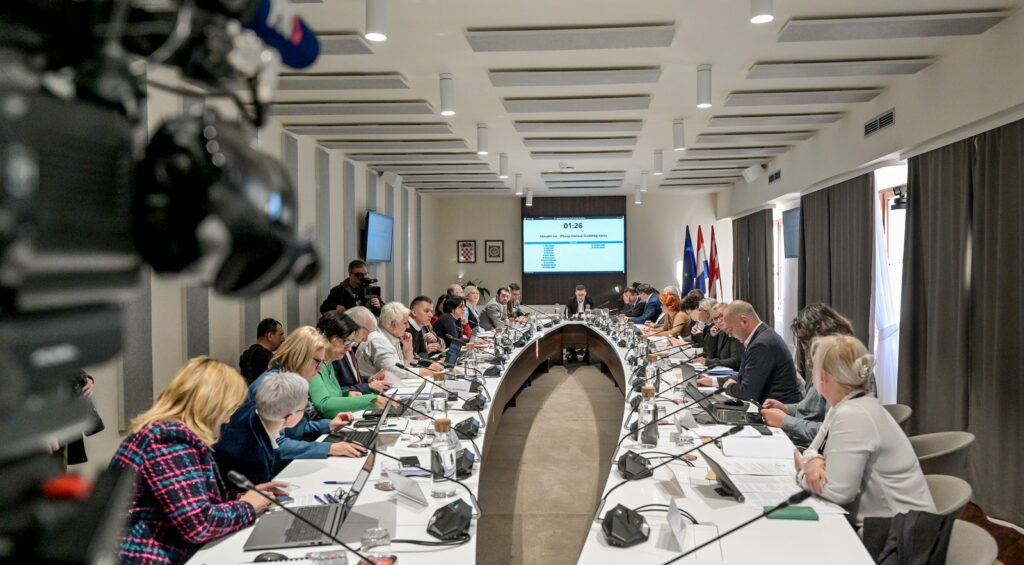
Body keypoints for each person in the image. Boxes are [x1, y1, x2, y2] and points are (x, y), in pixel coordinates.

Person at [110, 357, 287, 565]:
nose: (228, 419)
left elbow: (192, 496)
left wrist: (244, 495)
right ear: (211, 406)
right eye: (229, 410)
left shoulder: (165, 433)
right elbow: (198, 524)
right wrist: (248, 506)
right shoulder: (168, 440)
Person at [795, 335, 935, 525]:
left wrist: (802, 473)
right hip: (892, 524)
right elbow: (811, 450)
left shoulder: (852, 414)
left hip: (898, 533)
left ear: (823, 376)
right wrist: (814, 462)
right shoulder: (845, 405)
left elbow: (837, 492)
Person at [239, 327, 365, 461]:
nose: (320, 368)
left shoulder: (292, 380)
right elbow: (276, 445)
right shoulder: (272, 386)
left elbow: (296, 427)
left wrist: (328, 425)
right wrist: (329, 448)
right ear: (301, 356)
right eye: (318, 362)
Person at [761, 304, 868, 448]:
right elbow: (811, 410)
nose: (804, 347)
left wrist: (785, 421)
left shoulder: (843, 369)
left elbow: (830, 433)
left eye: (804, 340)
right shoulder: (828, 362)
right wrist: (785, 409)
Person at [214, 372, 310, 491]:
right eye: (304, 409)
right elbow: (254, 498)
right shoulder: (254, 460)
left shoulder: (249, 409)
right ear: (289, 418)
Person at [698, 301, 802, 404]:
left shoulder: (761, 344)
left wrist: (730, 387)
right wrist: (713, 381)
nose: (730, 335)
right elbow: (745, 376)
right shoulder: (761, 336)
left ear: (744, 321)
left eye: (731, 330)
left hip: (778, 409)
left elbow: (747, 394)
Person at [309, 312, 389, 418]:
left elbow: (332, 394)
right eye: (346, 342)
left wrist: (347, 393)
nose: (349, 348)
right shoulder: (312, 364)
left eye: (351, 343)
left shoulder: (328, 363)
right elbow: (323, 404)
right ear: (327, 337)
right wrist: (370, 400)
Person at [356, 302, 442, 377]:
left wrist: (408, 350)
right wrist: (428, 371)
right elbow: (395, 372)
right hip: (370, 388)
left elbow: (405, 367)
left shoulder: (392, 336)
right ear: (394, 325)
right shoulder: (378, 341)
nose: (408, 326)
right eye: (405, 323)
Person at [687, 302, 743, 370]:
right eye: (716, 318)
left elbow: (736, 361)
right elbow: (710, 356)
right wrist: (713, 337)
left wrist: (708, 362)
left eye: (721, 316)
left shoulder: (736, 333)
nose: (718, 321)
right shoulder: (721, 333)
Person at [239, 318, 284, 383]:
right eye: (281, 335)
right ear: (270, 336)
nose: (283, 339)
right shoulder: (270, 361)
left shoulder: (247, 356)